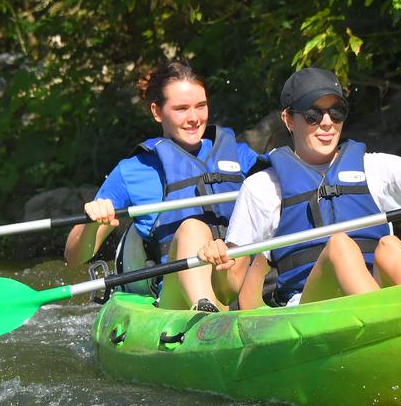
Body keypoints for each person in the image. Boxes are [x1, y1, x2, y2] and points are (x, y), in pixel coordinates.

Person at [197, 67, 401, 309]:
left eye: (336, 112)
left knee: (390, 246)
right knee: (339, 245)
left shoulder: (377, 167)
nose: (327, 123)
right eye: (313, 115)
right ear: (288, 120)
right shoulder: (262, 187)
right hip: (310, 309)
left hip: (375, 290)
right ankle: (394, 324)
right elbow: (227, 291)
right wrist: (220, 261)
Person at [64, 59, 260, 312]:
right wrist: (92, 223)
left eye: (201, 106)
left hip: (237, 278)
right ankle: (207, 316)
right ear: (157, 112)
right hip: (176, 297)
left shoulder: (241, 156)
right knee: (192, 229)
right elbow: (74, 257)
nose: (194, 118)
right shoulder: (133, 171)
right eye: (181, 109)